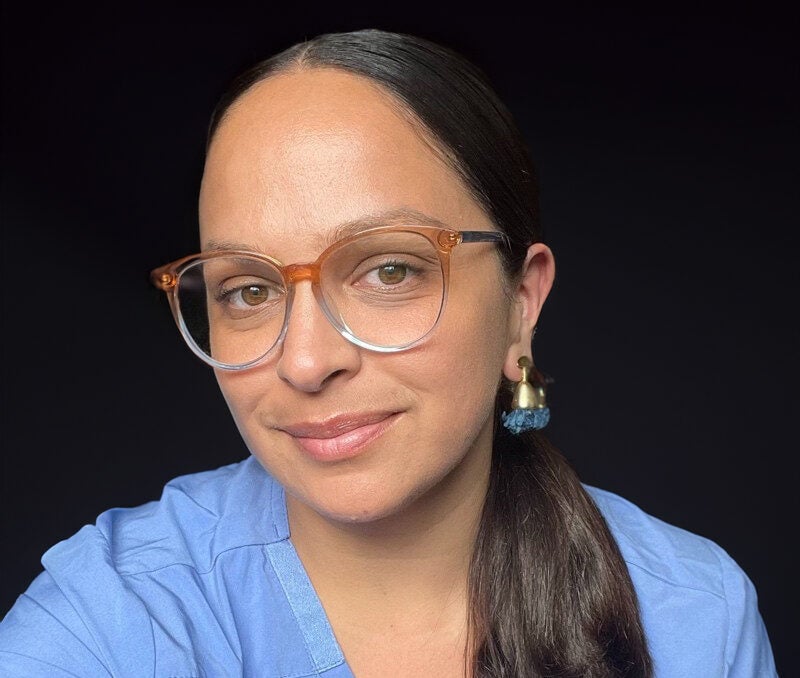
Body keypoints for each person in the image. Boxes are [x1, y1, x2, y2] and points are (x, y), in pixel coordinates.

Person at [0, 29, 777, 677]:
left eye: (389, 269)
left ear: (521, 303)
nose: (306, 363)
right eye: (247, 289)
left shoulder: (691, 617)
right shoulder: (114, 619)